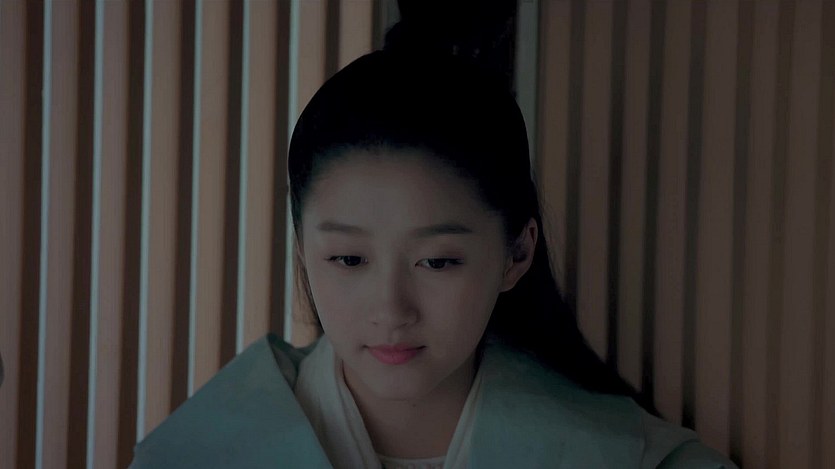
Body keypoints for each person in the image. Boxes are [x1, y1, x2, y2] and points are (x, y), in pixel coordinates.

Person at [131, 16, 738, 469]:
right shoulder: (197, 454)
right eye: (348, 259)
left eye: (438, 261)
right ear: (303, 249)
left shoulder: (631, 458)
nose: (391, 310)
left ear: (517, 253)